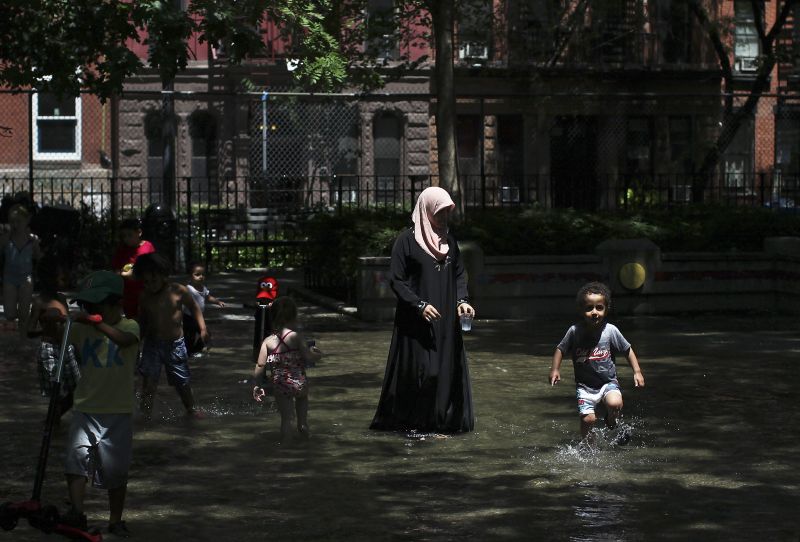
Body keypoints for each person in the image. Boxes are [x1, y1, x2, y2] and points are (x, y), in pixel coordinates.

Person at [370, 186, 476, 434]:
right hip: (416, 322)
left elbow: (459, 273)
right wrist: (419, 305)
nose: (443, 219)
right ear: (426, 210)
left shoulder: (449, 241)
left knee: (446, 370)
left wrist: (462, 300)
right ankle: (416, 423)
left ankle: (441, 423)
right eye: (439, 213)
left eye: (447, 213)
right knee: (426, 371)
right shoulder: (406, 241)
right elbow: (396, 279)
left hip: (446, 319)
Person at [61, 270, 140, 537]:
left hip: (117, 411)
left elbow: (124, 341)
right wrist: (49, 318)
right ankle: (77, 514)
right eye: (88, 306)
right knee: (75, 461)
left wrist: (96, 324)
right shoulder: (82, 328)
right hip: (85, 407)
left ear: (116, 304)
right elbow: (51, 334)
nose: (91, 311)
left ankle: (115, 520)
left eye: (97, 306)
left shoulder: (129, 326)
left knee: (115, 471)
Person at [549, 281, 645, 442]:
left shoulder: (611, 331)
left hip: (608, 382)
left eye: (599, 308)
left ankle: (610, 419)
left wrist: (637, 371)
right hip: (585, 387)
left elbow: (627, 349)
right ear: (581, 310)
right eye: (589, 308)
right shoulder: (574, 331)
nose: (594, 312)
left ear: (606, 309)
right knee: (588, 420)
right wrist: (555, 369)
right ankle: (588, 446)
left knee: (615, 403)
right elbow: (560, 349)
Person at [135, 252, 207, 421]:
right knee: (148, 383)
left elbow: (194, 307)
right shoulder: (144, 296)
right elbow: (143, 321)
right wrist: (137, 340)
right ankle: (145, 415)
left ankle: (191, 409)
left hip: (174, 344)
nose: (150, 285)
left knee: (181, 381)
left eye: (153, 281)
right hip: (152, 344)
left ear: (163, 275)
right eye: (146, 282)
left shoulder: (177, 290)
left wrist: (202, 328)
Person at [253, 296, 322, 442]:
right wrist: (317, 354)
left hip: (280, 385)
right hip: (299, 383)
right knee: (302, 421)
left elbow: (260, 365)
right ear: (295, 316)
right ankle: (305, 438)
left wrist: (257, 385)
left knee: (286, 420)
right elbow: (309, 357)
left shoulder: (268, 341)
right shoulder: (296, 337)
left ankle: (285, 450)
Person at [26, 256, 80, 421]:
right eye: (62, 278)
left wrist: (77, 348)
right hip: (49, 349)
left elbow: (69, 325)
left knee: (78, 389)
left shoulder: (62, 299)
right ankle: (53, 424)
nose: (65, 281)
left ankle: (53, 418)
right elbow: (29, 330)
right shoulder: (39, 302)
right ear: (49, 279)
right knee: (54, 390)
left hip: (67, 348)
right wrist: (46, 328)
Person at [1, 203, 41, 334]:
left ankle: (22, 338)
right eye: (12, 221)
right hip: (9, 278)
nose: (15, 225)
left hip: (26, 277)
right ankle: (12, 336)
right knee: (10, 313)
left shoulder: (32, 239)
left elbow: (38, 256)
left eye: (19, 221)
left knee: (24, 313)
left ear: (27, 220)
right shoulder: (6, 238)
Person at [111, 218, 155, 320]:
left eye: (130, 235)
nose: (126, 239)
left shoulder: (147, 247)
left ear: (139, 232)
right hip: (128, 295)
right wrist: (124, 274)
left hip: (146, 292)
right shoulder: (122, 250)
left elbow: (153, 267)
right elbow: (116, 270)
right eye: (124, 236)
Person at [183, 262, 225, 358]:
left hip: (198, 317)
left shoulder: (203, 288)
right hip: (188, 318)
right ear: (190, 276)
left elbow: (208, 297)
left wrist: (218, 302)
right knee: (189, 337)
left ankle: (195, 350)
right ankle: (188, 352)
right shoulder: (187, 289)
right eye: (197, 274)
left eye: (202, 274)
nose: (200, 277)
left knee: (206, 333)